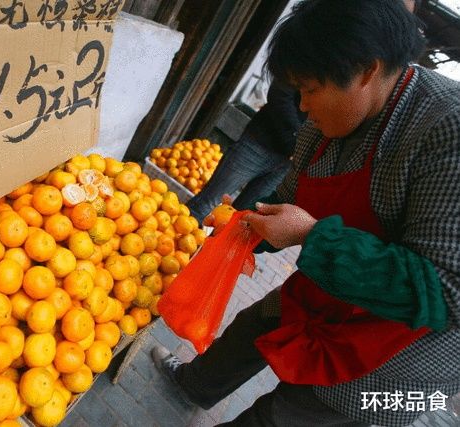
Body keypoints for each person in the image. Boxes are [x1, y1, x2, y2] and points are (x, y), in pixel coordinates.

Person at [151, 1, 460, 426]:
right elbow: (297, 189)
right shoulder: (326, 122)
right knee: (254, 326)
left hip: (404, 364)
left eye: (311, 90)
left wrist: (313, 238)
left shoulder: (447, 128)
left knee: (285, 416)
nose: (302, 107)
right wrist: (245, 226)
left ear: (366, 71)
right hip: (335, 293)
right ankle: (194, 383)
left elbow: (445, 290)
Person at [186, 81, 306, 221]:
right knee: (206, 205)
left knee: (243, 222)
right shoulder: (315, 64)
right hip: (260, 142)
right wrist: (297, 139)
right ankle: (180, 239)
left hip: (289, 164)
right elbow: (280, 94)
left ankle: (211, 243)